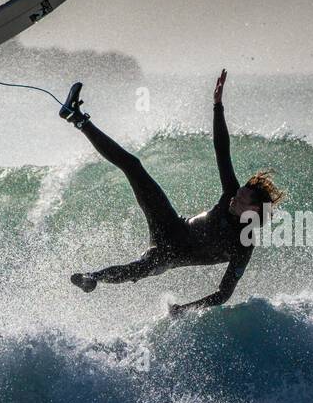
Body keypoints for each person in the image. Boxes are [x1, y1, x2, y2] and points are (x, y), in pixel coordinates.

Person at [62, 69, 284, 314]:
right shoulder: (231, 191)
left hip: (169, 255)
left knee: (145, 266)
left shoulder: (244, 243)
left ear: (253, 210)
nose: (234, 196)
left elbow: (223, 294)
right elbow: (222, 150)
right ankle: (77, 118)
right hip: (170, 223)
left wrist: (185, 308)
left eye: (241, 197)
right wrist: (217, 106)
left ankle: (91, 278)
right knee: (134, 166)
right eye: (238, 192)